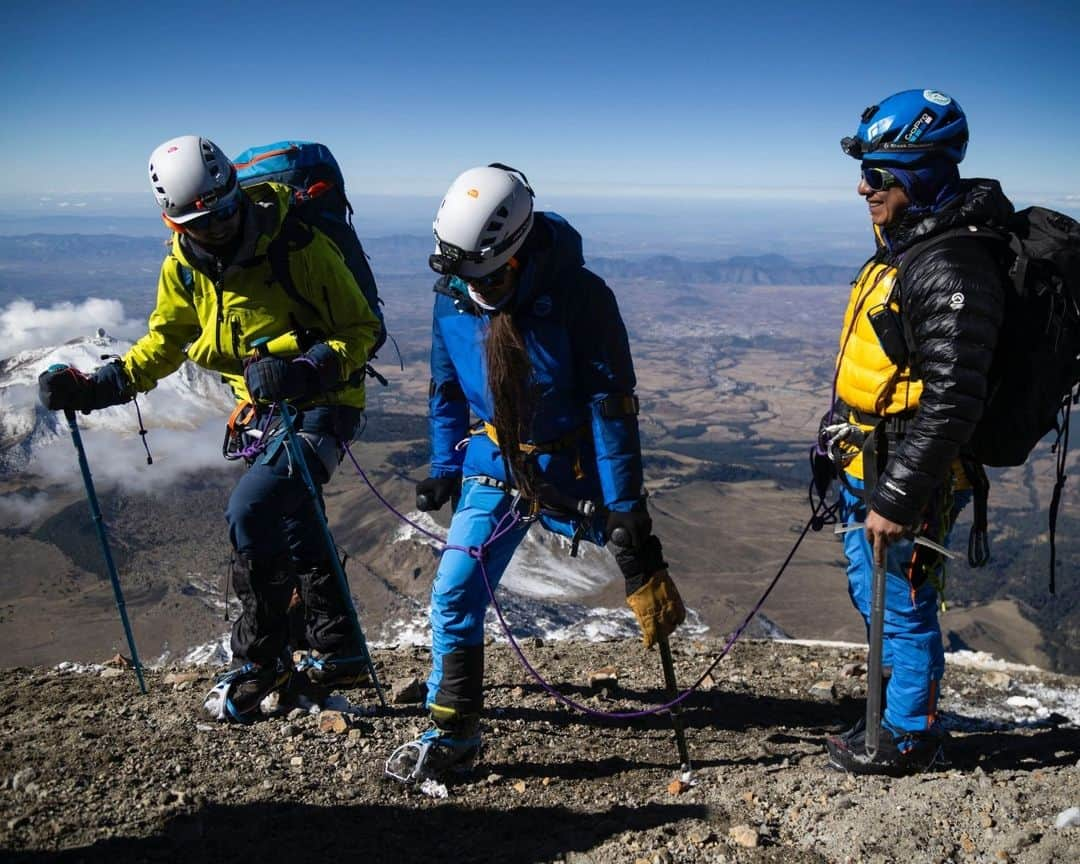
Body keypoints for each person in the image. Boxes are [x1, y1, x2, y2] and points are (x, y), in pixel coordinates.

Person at [38, 135, 382, 721]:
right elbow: (165, 342)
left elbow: (362, 330)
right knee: (297, 523)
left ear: (236, 194)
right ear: (174, 224)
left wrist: (306, 368)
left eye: (225, 212)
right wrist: (102, 387)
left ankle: (261, 661)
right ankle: (340, 652)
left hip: (325, 404)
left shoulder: (298, 245)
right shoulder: (184, 267)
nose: (219, 228)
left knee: (253, 509)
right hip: (261, 412)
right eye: (201, 222)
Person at [385, 164, 686, 783]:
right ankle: (452, 732)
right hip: (495, 463)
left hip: (569, 466)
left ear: (517, 255)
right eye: (467, 275)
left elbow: (611, 404)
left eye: (489, 276)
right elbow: (446, 386)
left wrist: (624, 504)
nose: (476, 288)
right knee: (454, 591)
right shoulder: (455, 294)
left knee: (636, 554)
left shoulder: (580, 297)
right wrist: (445, 464)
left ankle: (667, 650)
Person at [817, 90, 1013, 774]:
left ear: (922, 174)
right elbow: (874, 366)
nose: (863, 185)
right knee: (867, 586)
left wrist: (898, 495)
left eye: (879, 172)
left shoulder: (951, 265)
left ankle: (908, 732)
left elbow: (954, 399)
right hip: (869, 458)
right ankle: (891, 708)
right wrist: (831, 441)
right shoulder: (908, 250)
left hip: (910, 473)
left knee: (903, 599)